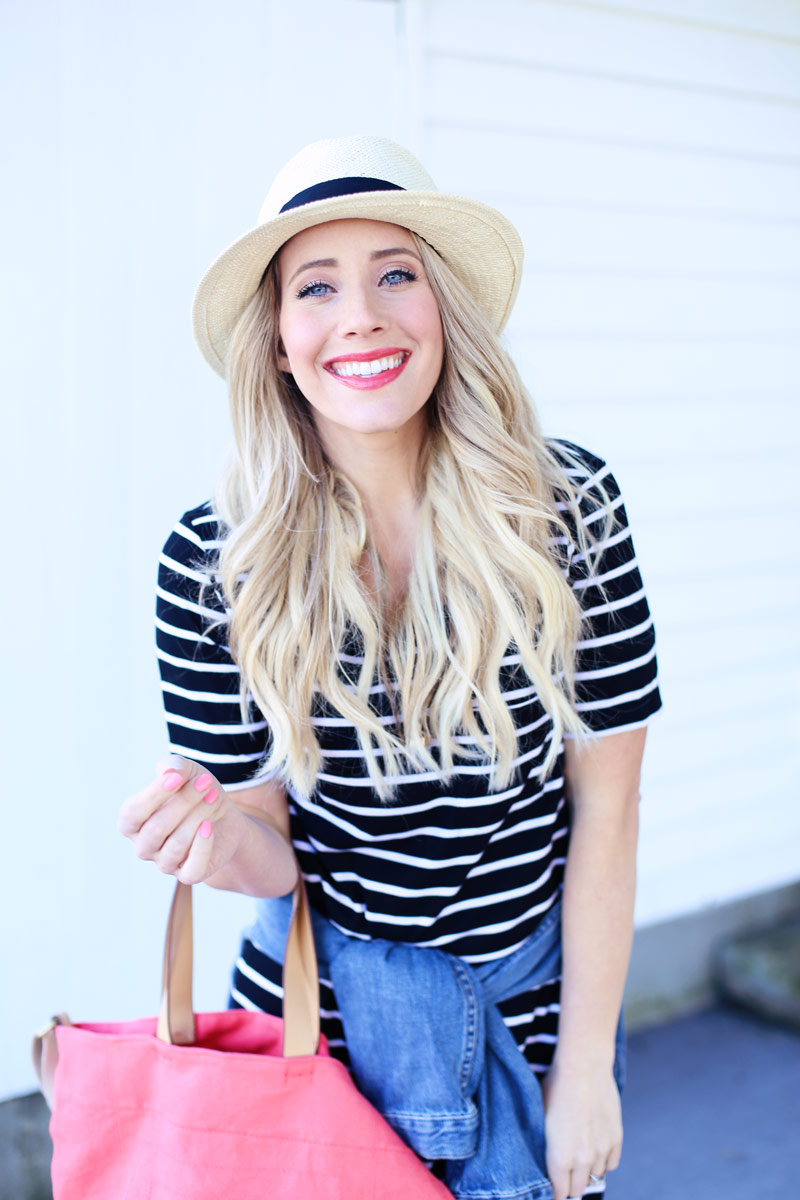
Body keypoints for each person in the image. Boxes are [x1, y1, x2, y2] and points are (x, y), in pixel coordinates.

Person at [118, 136, 661, 1200]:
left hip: (533, 1017)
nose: (359, 315)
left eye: (394, 274)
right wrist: (212, 838)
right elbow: (272, 858)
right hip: (318, 1031)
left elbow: (609, 807)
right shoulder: (212, 559)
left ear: (443, 307)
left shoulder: (567, 509)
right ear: (276, 342)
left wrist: (587, 1065)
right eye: (314, 287)